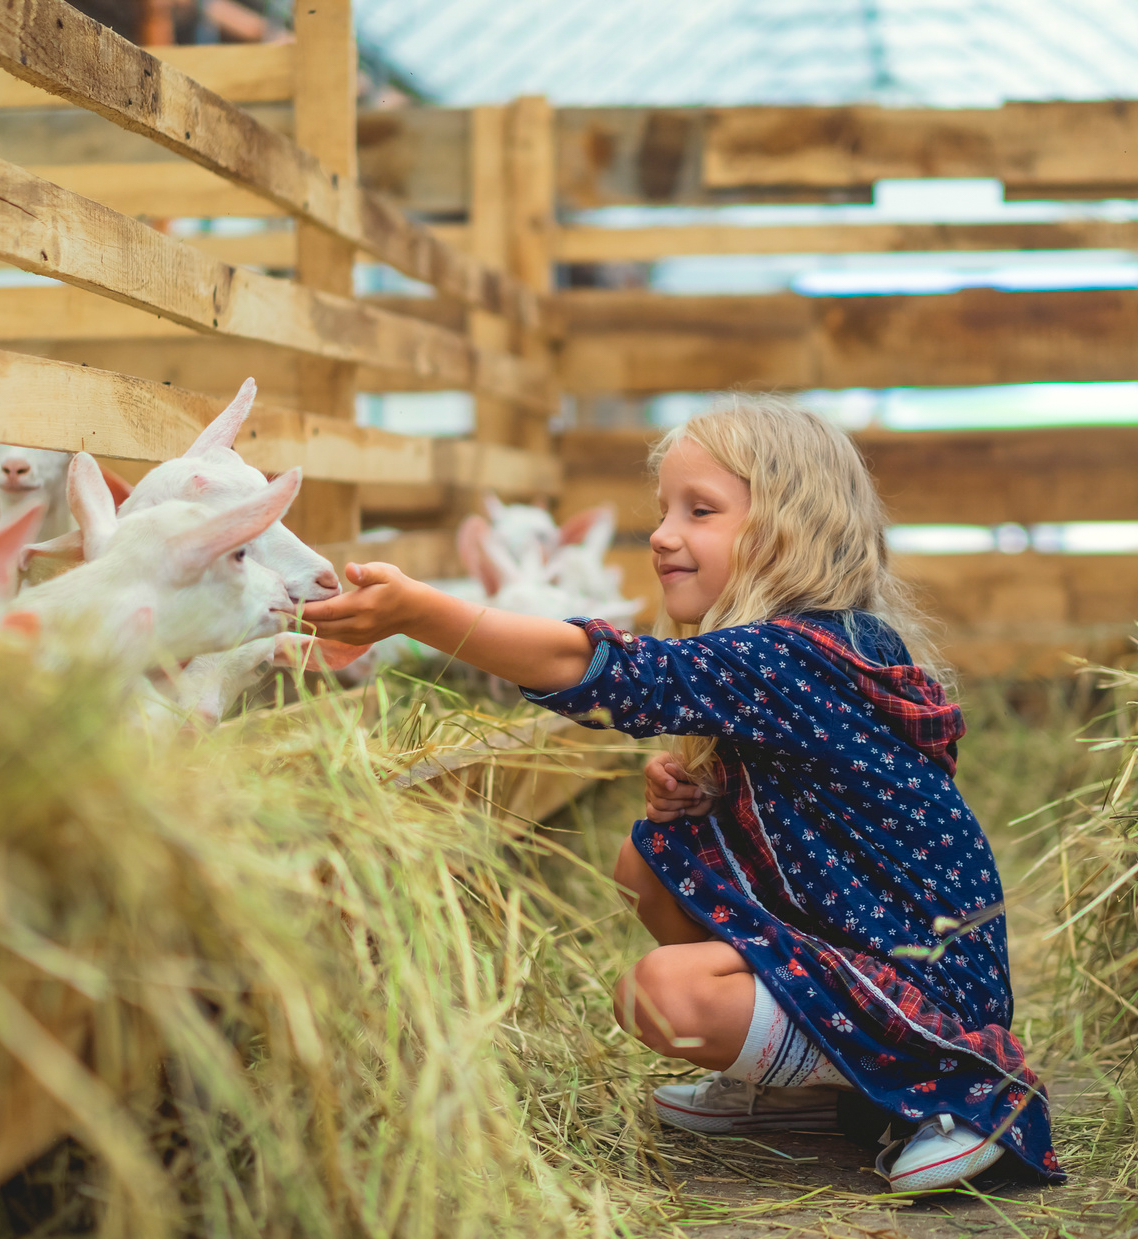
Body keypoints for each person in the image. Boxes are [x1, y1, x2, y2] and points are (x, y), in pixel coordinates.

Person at [304, 399, 1061, 1191]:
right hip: (874, 937)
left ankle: (962, 1090)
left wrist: (422, 613)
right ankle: (804, 1091)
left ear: (789, 530)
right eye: (663, 510)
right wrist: (717, 797)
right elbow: (827, 818)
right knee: (648, 861)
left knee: (662, 995)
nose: (663, 534)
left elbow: (613, 673)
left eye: (699, 511)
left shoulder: (789, 654)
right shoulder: (825, 647)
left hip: (922, 977)